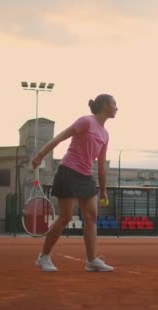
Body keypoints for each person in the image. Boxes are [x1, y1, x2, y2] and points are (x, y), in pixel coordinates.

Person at [31, 94, 118, 272]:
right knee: (66, 217)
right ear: (105, 106)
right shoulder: (86, 121)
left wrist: (103, 191)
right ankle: (44, 257)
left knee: (91, 217)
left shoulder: (105, 134)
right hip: (68, 171)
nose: (117, 108)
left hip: (86, 177)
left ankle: (92, 260)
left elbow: (101, 165)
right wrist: (40, 155)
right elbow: (61, 137)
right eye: (114, 104)